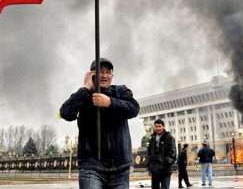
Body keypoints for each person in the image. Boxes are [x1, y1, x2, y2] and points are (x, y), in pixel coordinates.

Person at [60, 58, 139, 189]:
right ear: (91, 75)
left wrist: (110, 102)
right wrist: (85, 88)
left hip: (120, 167)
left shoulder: (121, 91)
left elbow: (134, 109)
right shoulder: (83, 95)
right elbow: (66, 113)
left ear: (112, 76)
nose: (104, 75)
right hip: (91, 166)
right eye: (100, 72)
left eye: (108, 72)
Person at [147, 119, 177, 189]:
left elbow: (172, 153)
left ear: (163, 126)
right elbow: (149, 152)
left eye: (159, 126)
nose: (158, 128)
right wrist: (149, 164)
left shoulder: (169, 137)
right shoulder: (152, 138)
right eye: (156, 126)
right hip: (154, 170)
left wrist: (165, 163)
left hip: (165, 170)